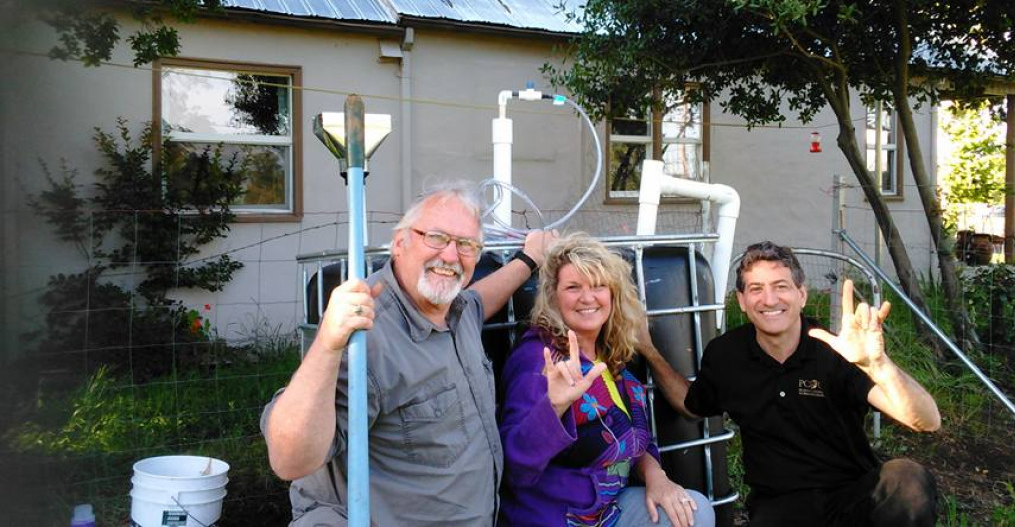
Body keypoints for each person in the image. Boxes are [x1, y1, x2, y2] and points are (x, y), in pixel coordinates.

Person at [262, 184, 557, 526]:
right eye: (436, 237)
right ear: (399, 242)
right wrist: (327, 344)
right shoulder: (367, 335)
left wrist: (529, 259)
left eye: (466, 245)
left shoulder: (456, 309)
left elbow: (480, 300)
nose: (450, 255)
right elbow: (289, 460)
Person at [639, 241, 941, 527]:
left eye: (781, 287)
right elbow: (691, 406)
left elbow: (926, 420)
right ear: (742, 301)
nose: (769, 300)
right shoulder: (726, 355)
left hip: (852, 497)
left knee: (908, 479)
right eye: (756, 289)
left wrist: (878, 364)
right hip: (780, 507)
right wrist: (649, 350)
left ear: (802, 295)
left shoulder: (835, 351)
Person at [498, 233, 715, 527]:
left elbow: (632, 441)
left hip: (607, 510)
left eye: (599, 286)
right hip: (555, 516)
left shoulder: (610, 355)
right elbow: (515, 469)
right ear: (553, 297)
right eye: (573, 287)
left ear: (613, 295)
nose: (588, 298)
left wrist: (657, 477)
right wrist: (553, 407)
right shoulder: (539, 359)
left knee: (694, 511)